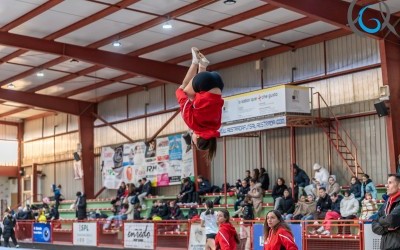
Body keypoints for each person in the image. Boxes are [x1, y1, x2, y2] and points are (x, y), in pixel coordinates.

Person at [177, 47, 224, 162]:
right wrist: (178, 93)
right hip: (204, 82)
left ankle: (202, 65)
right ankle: (194, 62)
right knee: (183, 88)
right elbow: (184, 103)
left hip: (218, 83)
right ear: (197, 137)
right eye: (193, 141)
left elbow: (217, 107)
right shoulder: (194, 125)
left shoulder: (216, 127)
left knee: (194, 97)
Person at [372, 174, 400, 250]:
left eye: (390, 183)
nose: (387, 186)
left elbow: (391, 219)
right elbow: (374, 225)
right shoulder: (386, 203)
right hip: (385, 246)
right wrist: (387, 228)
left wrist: (380, 221)